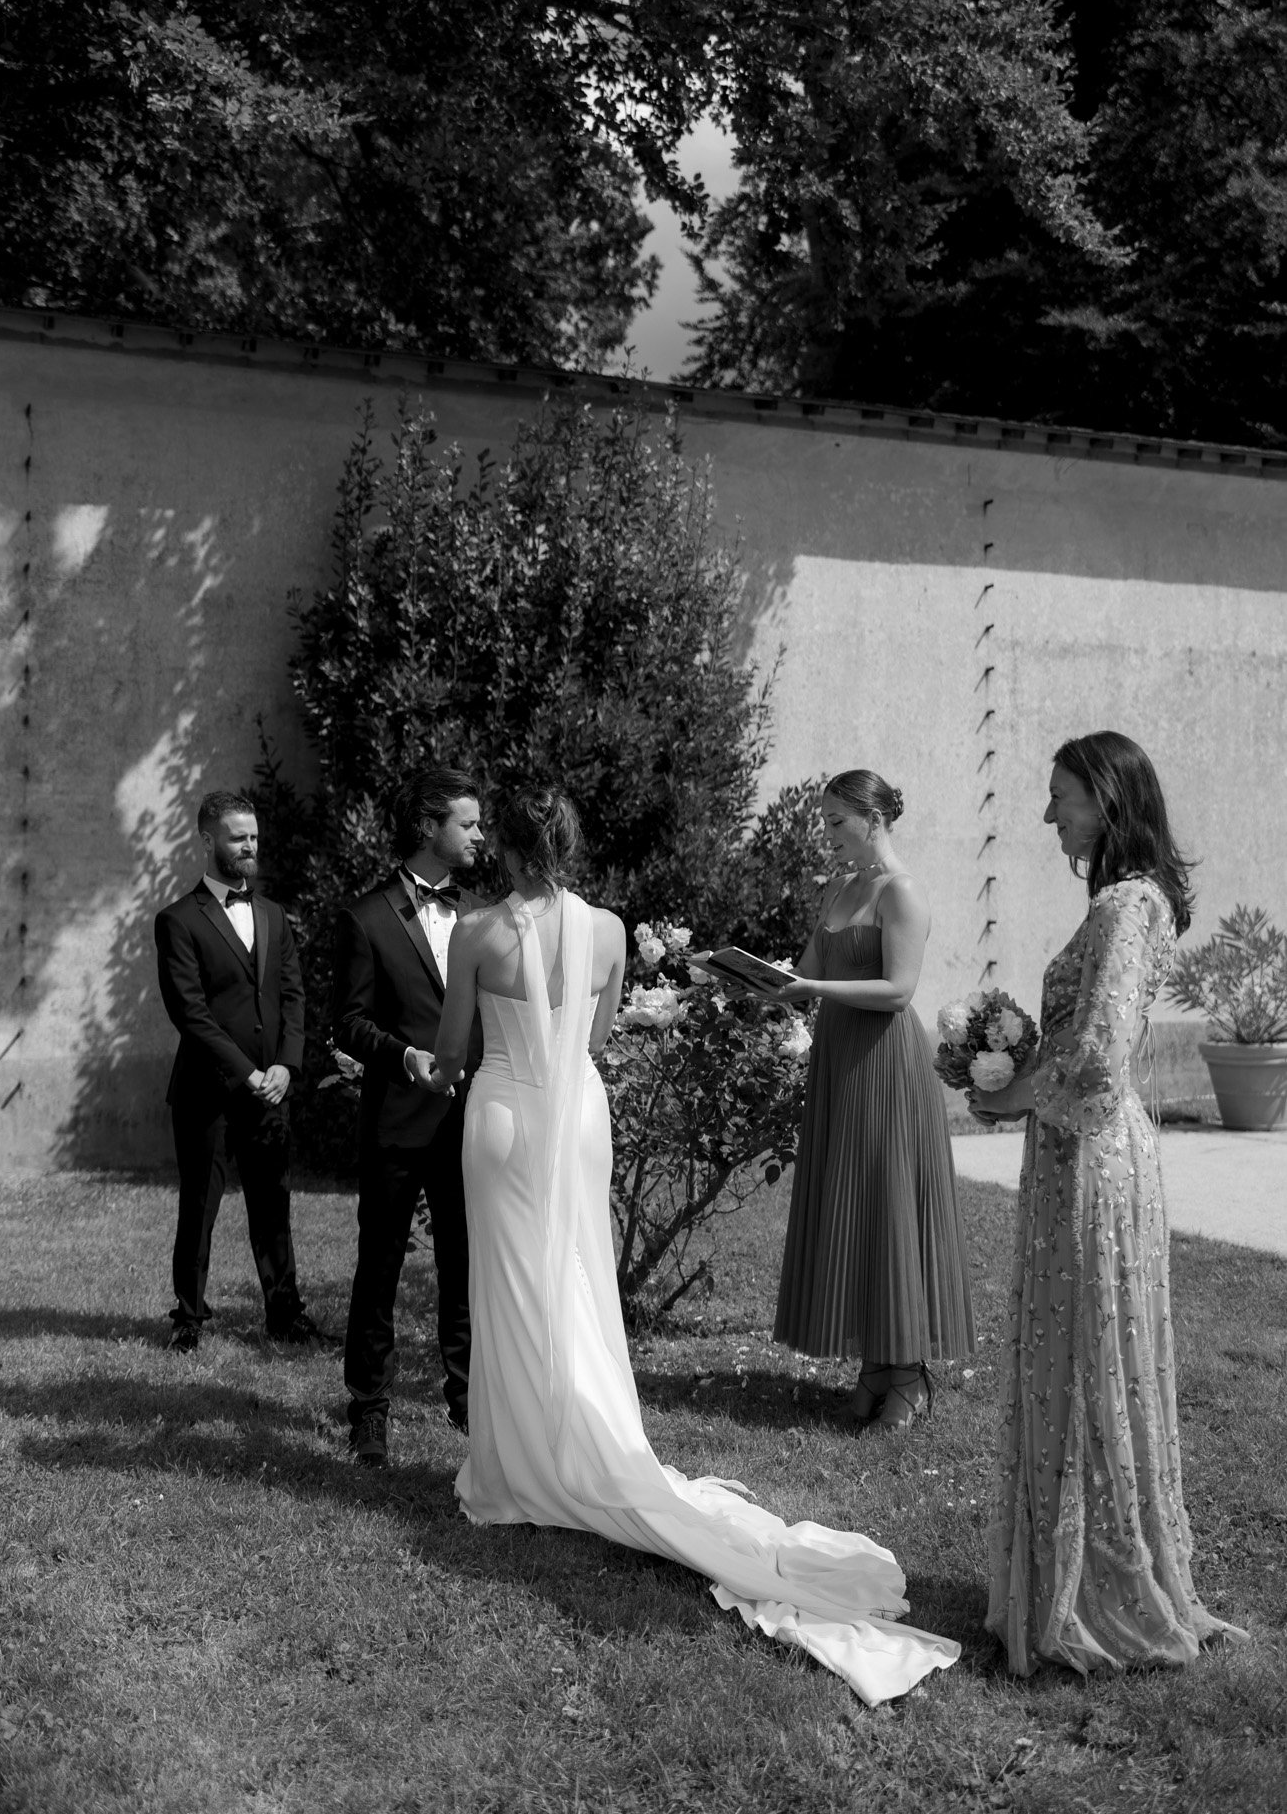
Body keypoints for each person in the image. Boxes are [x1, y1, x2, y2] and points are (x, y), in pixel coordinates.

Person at [426, 784, 962, 1706]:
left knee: (510, 1286)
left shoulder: (477, 930)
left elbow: (451, 1051)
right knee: (578, 1280)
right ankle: (577, 1433)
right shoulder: (606, 928)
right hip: (579, 1111)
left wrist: (412, 1066)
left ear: (504, 850)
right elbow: (593, 1036)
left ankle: (514, 1465)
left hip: (508, 1111)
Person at [971, 731, 1247, 1674]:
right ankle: (1077, 1573)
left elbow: (1096, 1055)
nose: (1048, 815)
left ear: (1105, 798)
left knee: (1088, 1356)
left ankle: (1101, 1586)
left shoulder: (1129, 904)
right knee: (1076, 1352)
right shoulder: (1122, 901)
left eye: (1060, 797)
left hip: (1091, 1153)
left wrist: (1006, 1094)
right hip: (1075, 1151)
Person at [768, 770, 975, 1430]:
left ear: (874, 819)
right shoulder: (840, 887)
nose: (826, 834)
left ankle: (909, 1375)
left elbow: (897, 990)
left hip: (884, 1063)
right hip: (837, 1060)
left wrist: (811, 986)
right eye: (823, 822)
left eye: (836, 821)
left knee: (886, 1204)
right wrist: (758, 978)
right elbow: (805, 972)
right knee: (850, 1204)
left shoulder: (900, 891)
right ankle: (873, 1369)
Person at [333, 766, 485, 1465]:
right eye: (468, 822)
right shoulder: (365, 917)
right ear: (428, 827)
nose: (480, 834)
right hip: (398, 1117)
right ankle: (368, 1407)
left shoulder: (485, 912)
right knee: (380, 1265)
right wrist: (404, 1058)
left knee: (466, 1262)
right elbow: (350, 1023)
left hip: (474, 1119)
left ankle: (468, 1399)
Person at [154, 790, 319, 1351]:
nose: (249, 846)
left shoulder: (273, 915)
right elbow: (190, 1013)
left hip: (272, 1087)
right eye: (237, 837)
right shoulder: (177, 921)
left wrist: (287, 1067)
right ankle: (189, 1318)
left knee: (273, 1199)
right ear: (207, 840)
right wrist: (248, 1072)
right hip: (209, 1088)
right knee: (200, 1203)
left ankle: (285, 1314)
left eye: (254, 836)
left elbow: (293, 996)